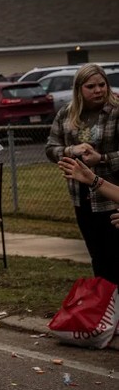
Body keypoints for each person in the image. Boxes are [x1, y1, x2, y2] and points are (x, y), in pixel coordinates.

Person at [46, 64, 119, 284]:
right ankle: (108, 310)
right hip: (82, 199)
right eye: (91, 86)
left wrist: (103, 158)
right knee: (98, 259)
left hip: (112, 199)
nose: (98, 90)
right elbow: (50, 148)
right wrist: (70, 150)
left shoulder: (116, 111)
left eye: (101, 85)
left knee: (116, 259)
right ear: (79, 89)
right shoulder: (67, 114)